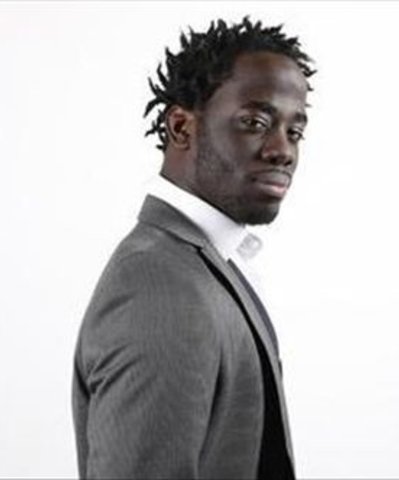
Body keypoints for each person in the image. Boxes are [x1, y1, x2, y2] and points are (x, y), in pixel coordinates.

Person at [72, 17, 314, 479]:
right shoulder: (158, 285)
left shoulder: (204, 263)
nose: (283, 150)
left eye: (294, 131)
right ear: (181, 127)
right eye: (255, 122)